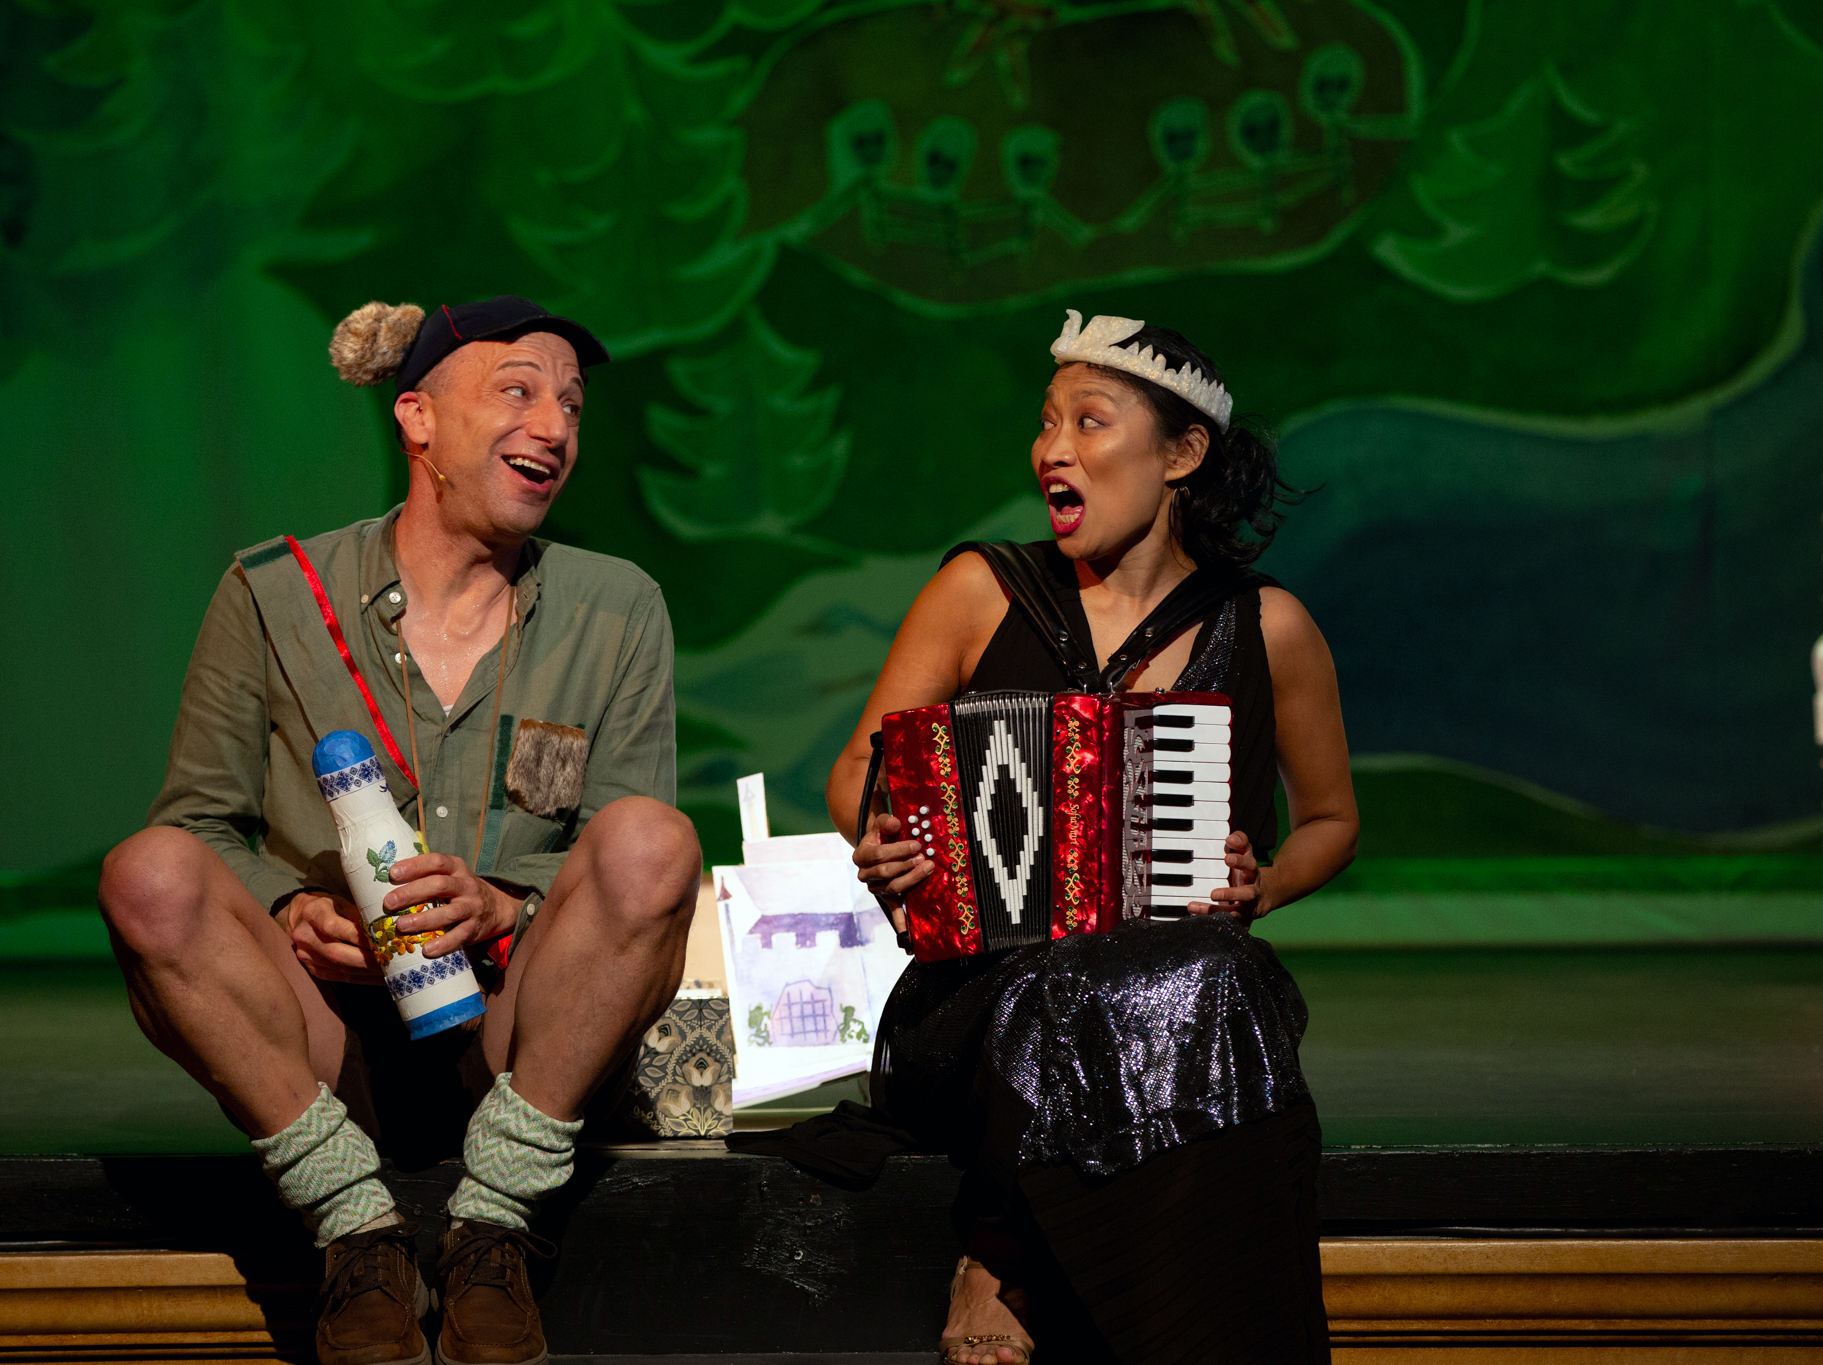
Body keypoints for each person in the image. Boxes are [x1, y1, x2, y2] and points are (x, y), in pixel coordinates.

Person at [98, 296, 700, 1365]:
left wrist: (506, 907)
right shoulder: (275, 593)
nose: (554, 426)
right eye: (516, 389)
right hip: (322, 1036)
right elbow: (199, 824)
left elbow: (617, 850)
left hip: (520, 1035)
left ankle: (494, 1226)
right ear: (416, 419)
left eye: (570, 402)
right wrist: (297, 910)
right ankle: (354, 1229)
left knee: (656, 840)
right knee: (147, 874)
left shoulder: (616, 606)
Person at [828, 311, 1359, 1364]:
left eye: (1088, 420)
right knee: (1100, 986)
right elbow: (859, 772)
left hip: (1167, 984)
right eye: (1044, 423)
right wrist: (886, 840)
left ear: (1182, 454)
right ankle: (999, 1238)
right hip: (979, 997)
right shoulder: (980, 590)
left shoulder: (1267, 626)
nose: (1050, 449)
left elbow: (1333, 823)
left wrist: (1261, 885)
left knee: (1214, 977)